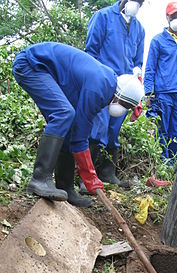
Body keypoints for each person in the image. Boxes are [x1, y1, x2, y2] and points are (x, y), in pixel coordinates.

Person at [12, 42, 144, 206]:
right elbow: (79, 138)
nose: (123, 110)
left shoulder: (107, 84)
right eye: (125, 106)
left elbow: (77, 129)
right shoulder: (100, 88)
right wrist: (90, 175)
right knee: (63, 113)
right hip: (31, 65)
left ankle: (66, 188)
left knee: (69, 122)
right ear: (121, 99)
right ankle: (39, 179)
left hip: (45, 71)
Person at [84, 0, 145, 189]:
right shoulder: (103, 17)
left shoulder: (139, 29)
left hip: (124, 88)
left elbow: (138, 60)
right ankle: (86, 177)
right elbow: (91, 52)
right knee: (97, 128)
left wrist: (136, 71)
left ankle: (107, 173)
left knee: (113, 130)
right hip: (103, 82)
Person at [144, 1, 177, 164]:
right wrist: (148, 93)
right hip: (163, 93)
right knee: (162, 130)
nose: (176, 18)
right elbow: (150, 68)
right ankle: (161, 165)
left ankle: (171, 164)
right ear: (167, 17)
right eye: (173, 16)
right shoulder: (158, 41)